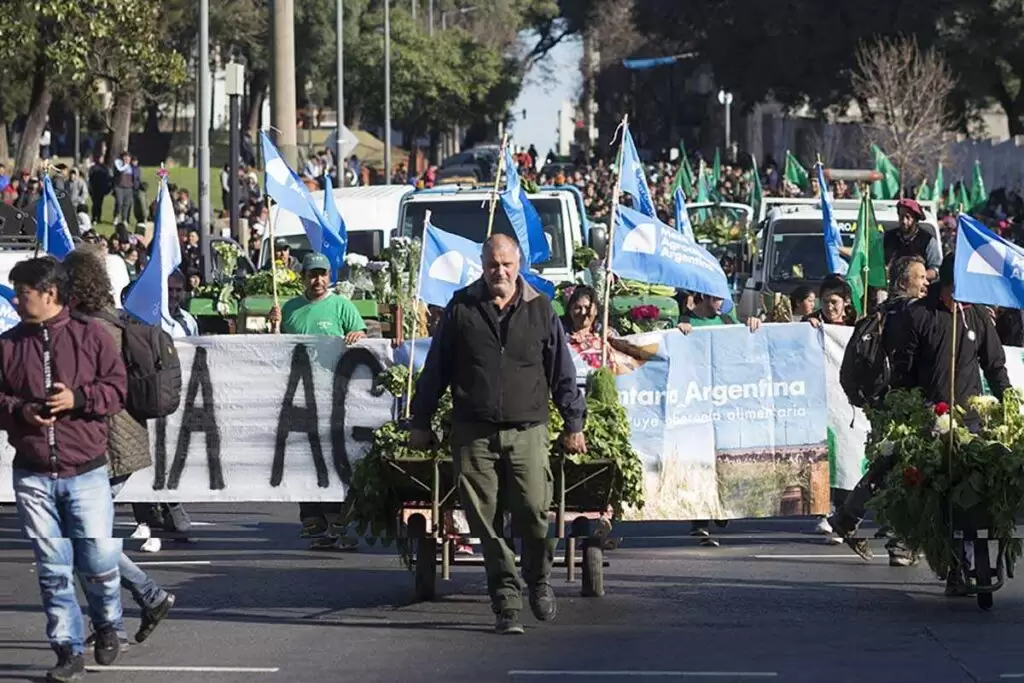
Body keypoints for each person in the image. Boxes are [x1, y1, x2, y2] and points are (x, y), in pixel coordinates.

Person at [408, 234, 587, 635]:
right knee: (484, 522)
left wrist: (573, 423)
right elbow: (436, 369)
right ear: (482, 265)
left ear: (518, 264)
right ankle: (506, 602)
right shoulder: (462, 308)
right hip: (473, 431)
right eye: (492, 265)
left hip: (528, 429)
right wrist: (420, 421)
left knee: (534, 512)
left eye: (506, 264)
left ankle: (538, 579)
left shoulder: (541, 310)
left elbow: (562, 372)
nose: (499, 272)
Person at [830, 255, 1010, 594]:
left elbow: (995, 367)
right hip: (931, 421)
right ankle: (931, 556)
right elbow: (903, 370)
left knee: (968, 497)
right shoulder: (919, 316)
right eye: (956, 287)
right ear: (944, 284)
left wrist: (1009, 400)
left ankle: (965, 566)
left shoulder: (978, 318)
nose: (962, 294)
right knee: (931, 493)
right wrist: (914, 407)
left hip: (971, 423)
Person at [0, 257, 128, 679]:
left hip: (86, 471)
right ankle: (67, 650)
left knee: (98, 559)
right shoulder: (8, 344)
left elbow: (116, 390)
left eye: (23, 292)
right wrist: (22, 410)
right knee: (53, 567)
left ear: (49, 294)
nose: (17, 299)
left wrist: (78, 399)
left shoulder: (91, 336)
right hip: (33, 472)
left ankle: (109, 624)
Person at [61, 251, 177, 648]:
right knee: (85, 538)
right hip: (115, 446)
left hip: (103, 449)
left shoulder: (90, 331)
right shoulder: (112, 321)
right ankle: (133, 607)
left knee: (83, 540)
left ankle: (134, 604)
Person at [268, 253, 367, 549]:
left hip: (334, 396)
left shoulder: (341, 306)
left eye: (323, 274)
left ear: (329, 277)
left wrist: (357, 334)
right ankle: (313, 522)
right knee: (304, 459)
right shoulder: (290, 309)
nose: (318, 280)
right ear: (304, 278)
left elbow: (362, 334)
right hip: (299, 397)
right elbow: (274, 351)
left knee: (335, 459)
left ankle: (339, 521)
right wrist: (273, 327)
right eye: (312, 274)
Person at [676, 292, 762, 546]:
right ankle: (700, 519)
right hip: (695, 404)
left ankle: (720, 506)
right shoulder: (684, 322)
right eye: (716, 299)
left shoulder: (726, 322)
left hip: (724, 403)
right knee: (699, 460)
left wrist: (753, 325)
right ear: (703, 298)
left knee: (724, 459)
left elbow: (746, 344)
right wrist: (679, 332)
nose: (722, 304)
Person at [131, 270, 197, 552]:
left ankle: (172, 503)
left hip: (178, 396)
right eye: (168, 289)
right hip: (149, 395)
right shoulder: (143, 318)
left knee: (173, 453)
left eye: (178, 290)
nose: (173, 294)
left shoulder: (188, 321)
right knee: (146, 453)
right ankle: (145, 514)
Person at [883, 199, 942, 280]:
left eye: (907, 217)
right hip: (890, 287)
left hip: (917, 289)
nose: (904, 221)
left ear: (916, 219)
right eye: (901, 216)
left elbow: (935, 270)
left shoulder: (928, 241)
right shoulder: (887, 237)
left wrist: (916, 277)